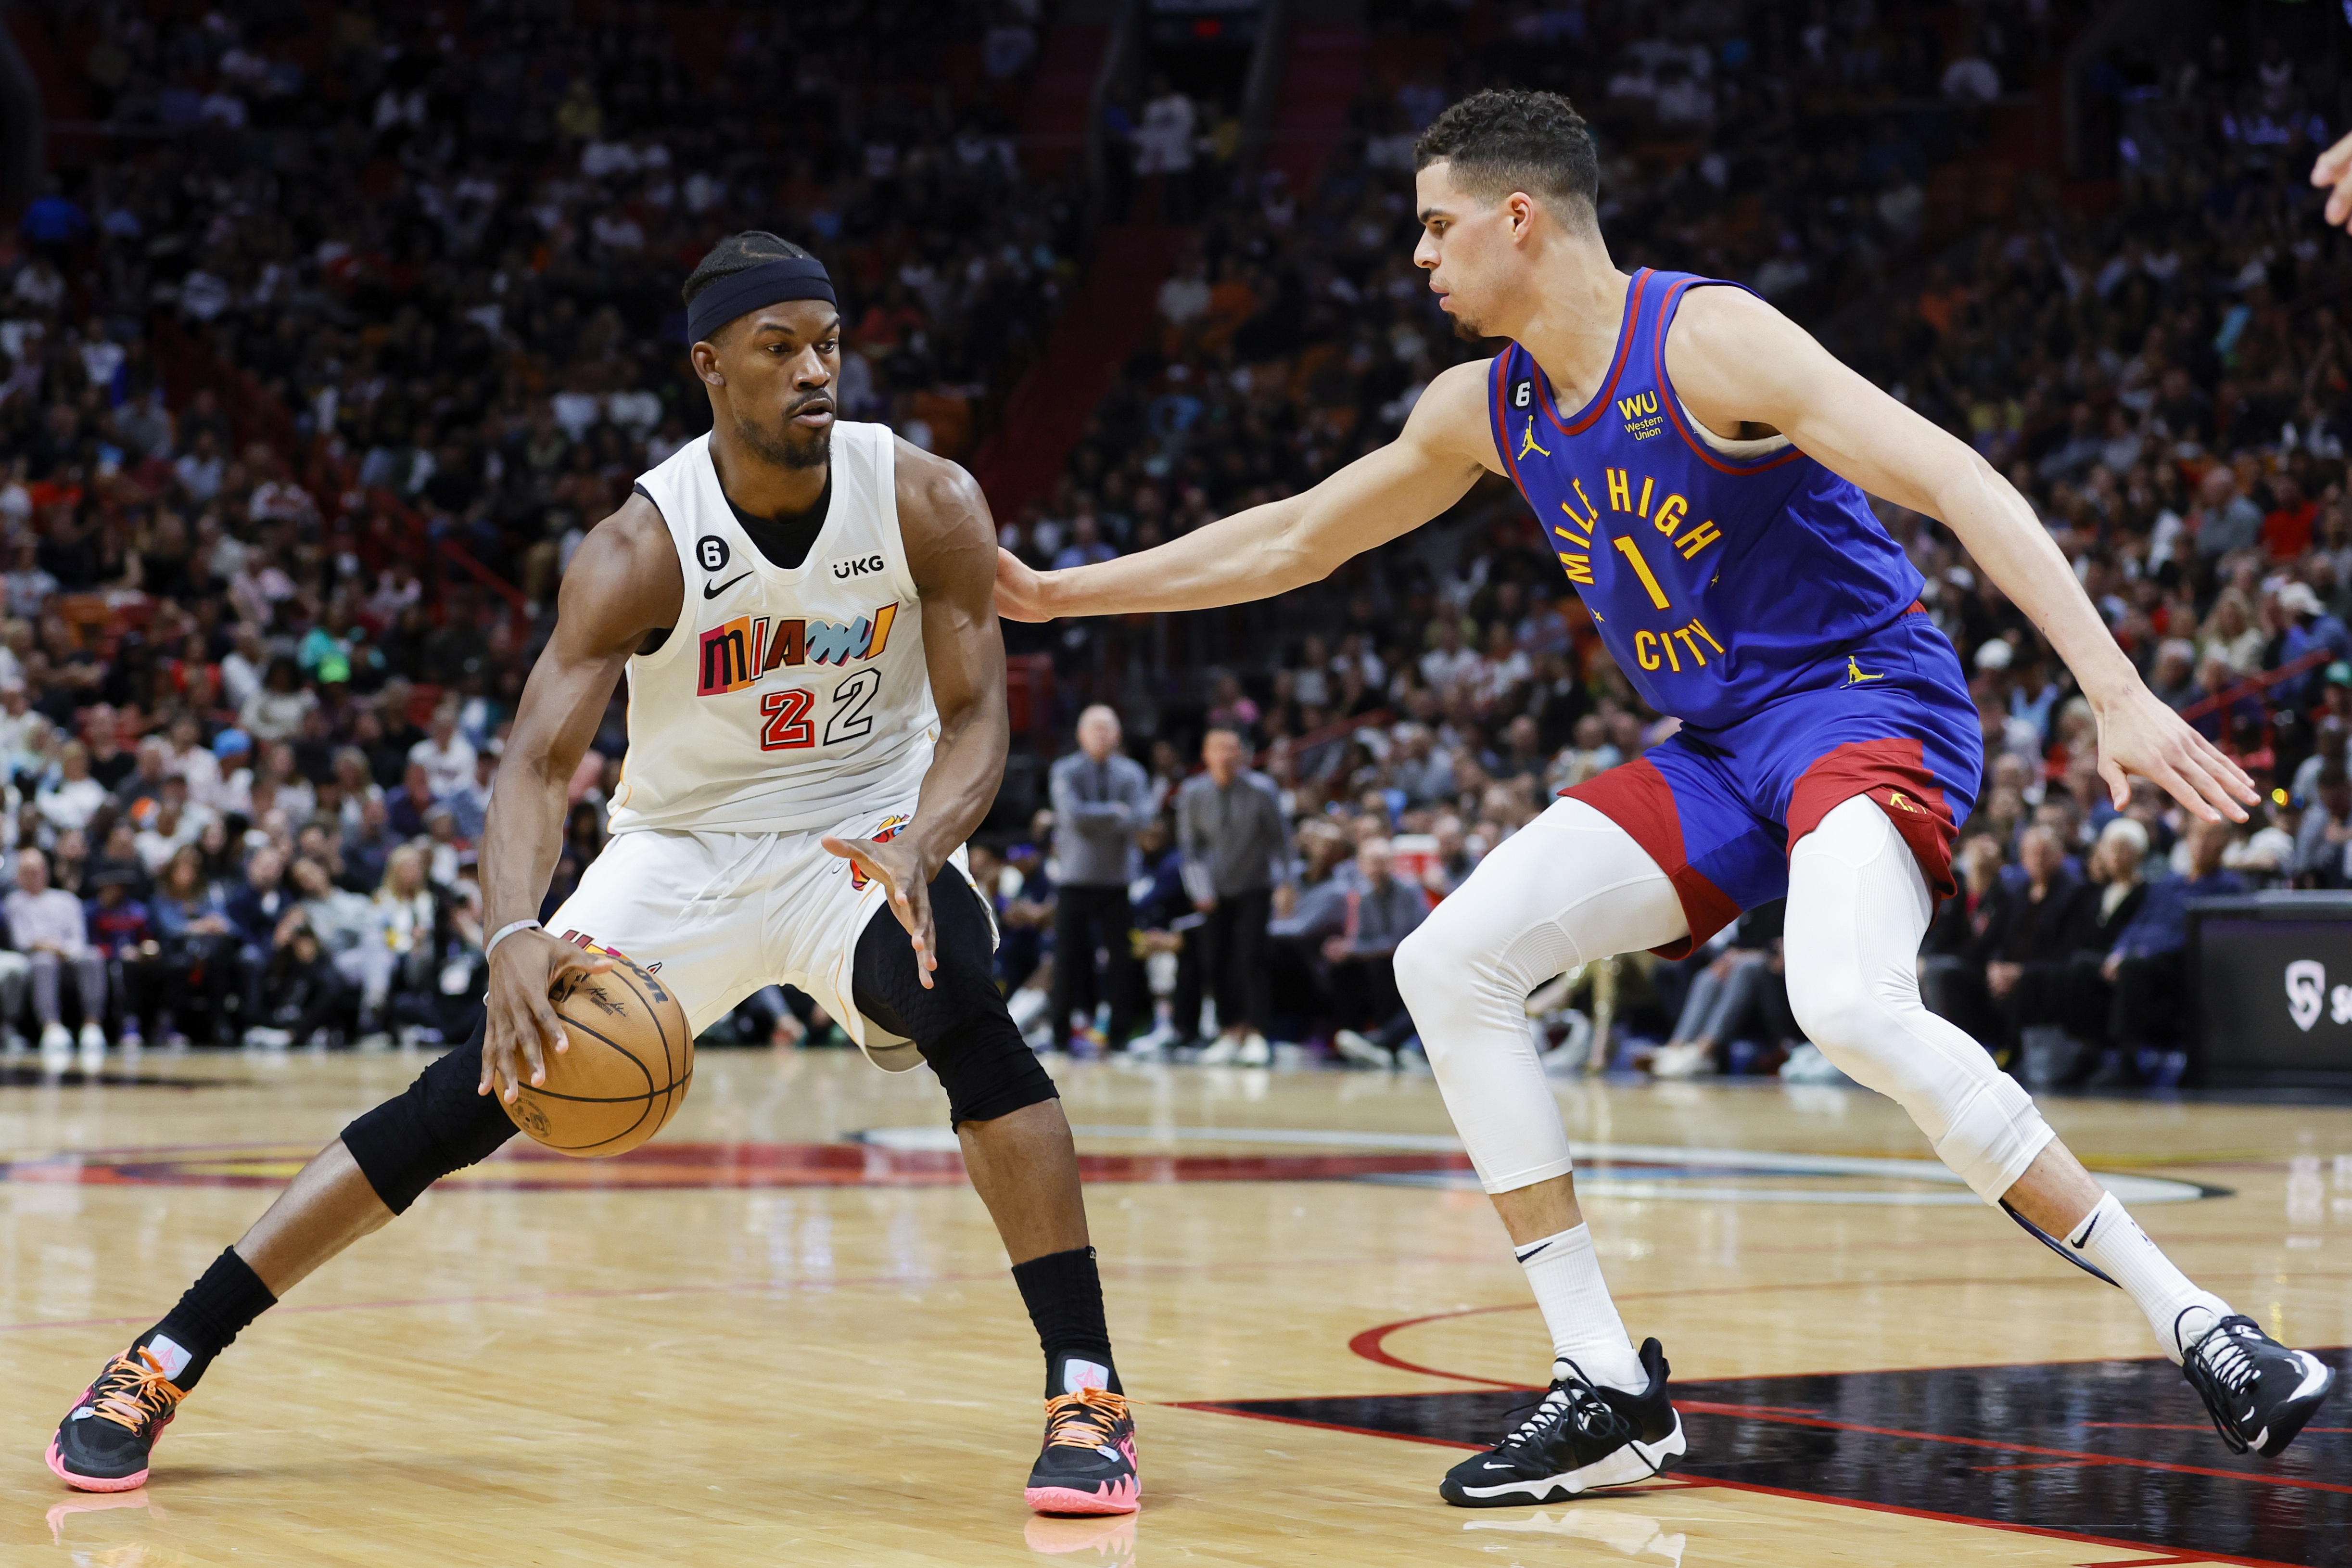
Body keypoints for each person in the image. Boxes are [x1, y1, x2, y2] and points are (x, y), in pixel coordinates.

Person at [1004, 89, 2334, 1498]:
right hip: (1719, 747)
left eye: (1438, 226)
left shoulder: (1707, 341)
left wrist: (2113, 688)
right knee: (1446, 962)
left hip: (1864, 703)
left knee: (1845, 1001)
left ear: (1520, 218)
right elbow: (1295, 538)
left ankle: (2202, 1323)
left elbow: (1953, 475)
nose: (1421, 256)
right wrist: (1060, 594)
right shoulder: (1486, 405)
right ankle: (1607, 1382)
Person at [46, 234, 1139, 1517]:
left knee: (960, 1002)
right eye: (779, 347)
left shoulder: (923, 498)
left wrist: (925, 839)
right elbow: (535, 762)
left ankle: (1087, 1388)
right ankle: (163, 1355)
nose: (814, 370)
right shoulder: (640, 545)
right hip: (680, 848)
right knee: (470, 1090)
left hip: (862, 830)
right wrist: (511, 930)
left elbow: (977, 719)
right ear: (710, 365)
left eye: (828, 343)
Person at [1174, 728, 1286, 1065]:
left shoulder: (1262, 790)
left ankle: (1257, 1033)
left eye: (1232, 748)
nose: (1225, 755)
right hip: (1213, 892)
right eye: (1218, 748)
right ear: (1206, 755)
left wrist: (1286, 883)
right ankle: (1229, 1031)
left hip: (1255, 886)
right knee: (1215, 960)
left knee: (1252, 958)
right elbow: (1189, 849)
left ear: (1242, 754)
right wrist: (1199, 889)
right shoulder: (1192, 793)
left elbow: (1280, 840)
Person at [1046, 704, 1151, 1053]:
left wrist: (1101, 819)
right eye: (1095, 728)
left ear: (1117, 734)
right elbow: (1073, 817)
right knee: (1066, 957)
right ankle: (1060, 1034)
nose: (1102, 735)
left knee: (1121, 960)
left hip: (1117, 879)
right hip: (1074, 877)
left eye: (1108, 728)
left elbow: (1141, 817)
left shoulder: (1133, 773)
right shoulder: (1064, 769)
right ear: (1081, 735)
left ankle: (1120, 1035)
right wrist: (1116, 814)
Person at [1325, 838, 1431, 1069]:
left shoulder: (1410, 891)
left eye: (1381, 862)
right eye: (1372, 862)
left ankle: (1381, 1042)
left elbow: (1407, 939)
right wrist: (1347, 949)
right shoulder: (1364, 897)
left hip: (1414, 965)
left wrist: (1353, 949)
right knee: (1343, 970)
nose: (1377, 868)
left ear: (1392, 863)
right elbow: (1363, 941)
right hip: (1380, 965)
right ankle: (1355, 1039)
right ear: (1361, 865)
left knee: (1379, 966)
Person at [6, 846, 109, 1071]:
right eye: (27, 871)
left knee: (93, 956)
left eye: (37, 870)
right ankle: (51, 1028)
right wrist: (51, 948)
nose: (33, 875)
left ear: (47, 871)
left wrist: (63, 950)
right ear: (19, 876)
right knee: (44, 961)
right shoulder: (14, 903)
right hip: (36, 959)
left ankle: (92, 1026)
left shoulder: (67, 900)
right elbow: (22, 941)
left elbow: (79, 938)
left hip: (69, 956)